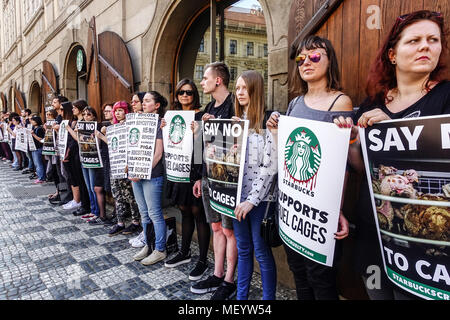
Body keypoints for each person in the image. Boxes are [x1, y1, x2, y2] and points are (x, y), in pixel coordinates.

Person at [334, 10, 449, 300]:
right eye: (414, 40)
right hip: (375, 231)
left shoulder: (446, 97)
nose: (426, 46)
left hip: (426, 240)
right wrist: (350, 141)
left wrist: (396, 132)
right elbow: (362, 167)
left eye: (433, 40)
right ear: (393, 55)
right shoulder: (372, 102)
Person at [266, 35, 352, 300]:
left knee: (321, 279)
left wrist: (337, 208)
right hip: (292, 206)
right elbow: (285, 156)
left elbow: (343, 163)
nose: (306, 62)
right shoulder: (295, 103)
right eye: (301, 58)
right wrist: (274, 132)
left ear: (330, 61)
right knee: (298, 274)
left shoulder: (340, 102)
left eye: (315, 56)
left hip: (319, 210)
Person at [190, 62, 237, 300]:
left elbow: (237, 148)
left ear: (218, 80)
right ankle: (218, 273)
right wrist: (199, 176)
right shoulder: (209, 106)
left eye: (205, 77)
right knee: (216, 227)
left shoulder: (234, 105)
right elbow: (203, 147)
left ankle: (229, 280)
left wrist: (212, 130)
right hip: (209, 177)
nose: (201, 82)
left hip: (227, 182)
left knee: (229, 231)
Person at [231, 70, 278, 300]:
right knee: (244, 250)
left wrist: (252, 200)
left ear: (255, 89)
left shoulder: (270, 120)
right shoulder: (235, 123)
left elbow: (270, 166)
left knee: (261, 251)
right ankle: (241, 299)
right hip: (236, 197)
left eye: (243, 88)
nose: (239, 92)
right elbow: (226, 163)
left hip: (261, 200)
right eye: (237, 88)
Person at [161, 79, 211, 280]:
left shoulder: (201, 115)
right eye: (181, 92)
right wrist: (163, 128)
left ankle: (203, 260)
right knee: (183, 210)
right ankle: (184, 251)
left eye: (189, 92)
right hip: (177, 169)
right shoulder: (171, 116)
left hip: (195, 169)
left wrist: (199, 131)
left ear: (195, 95)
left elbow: (207, 147)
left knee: (198, 213)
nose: (184, 96)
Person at [131, 91, 167, 265]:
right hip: (137, 175)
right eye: (142, 101)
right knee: (144, 213)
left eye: (147, 101)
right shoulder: (137, 122)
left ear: (157, 105)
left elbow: (158, 154)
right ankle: (148, 244)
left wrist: (141, 171)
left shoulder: (159, 123)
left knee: (154, 214)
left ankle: (160, 249)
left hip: (152, 175)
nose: (143, 103)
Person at [107, 101, 141, 237]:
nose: (118, 113)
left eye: (121, 110)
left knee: (130, 195)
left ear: (126, 112)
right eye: (116, 111)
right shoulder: (113, 127)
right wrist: (101, 135)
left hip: (126, 165)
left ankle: (135, 221)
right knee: (117, 194)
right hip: (115, 164)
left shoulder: (131, 125)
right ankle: (120, 222)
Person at [60, 100, 91, 213]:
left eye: (75, 107)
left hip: (80, 154)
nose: (72, 109)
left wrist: (68, 129)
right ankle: (80, 202)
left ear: (80, 109)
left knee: (82, 181)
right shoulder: (75, 121)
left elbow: (78, 139)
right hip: (73, 154)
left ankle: (85, 205)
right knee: (76, 179)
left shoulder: (83, 122)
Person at [29, 115, 46, 183]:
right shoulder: (34, 128)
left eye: (33, 120)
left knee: (39, 163)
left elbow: (41, 139)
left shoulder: (39, 129)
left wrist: (33, 134)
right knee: (36, 163)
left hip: (38, 147)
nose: (31, 121)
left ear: (36, 121)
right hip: (34, 147)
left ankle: (41, 177)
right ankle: (40, 176)